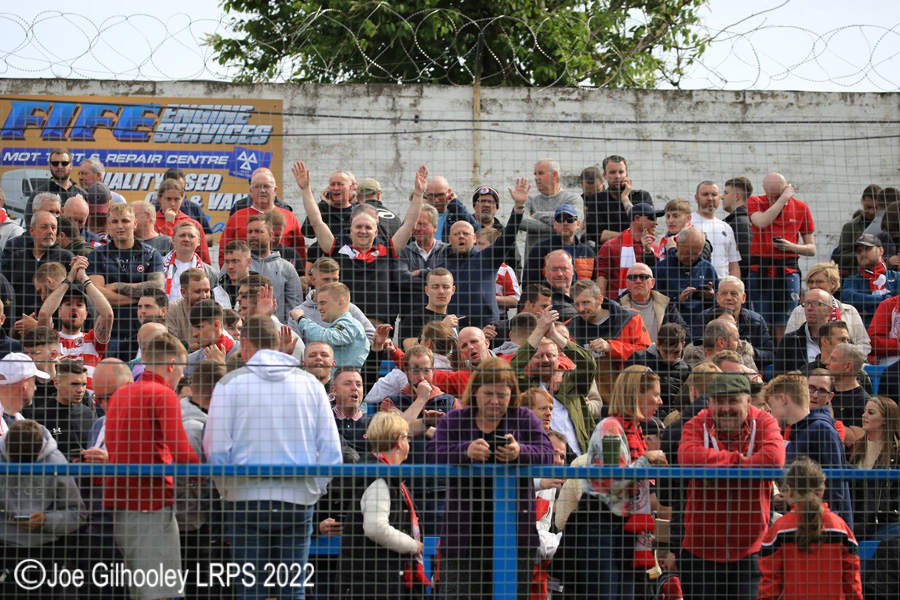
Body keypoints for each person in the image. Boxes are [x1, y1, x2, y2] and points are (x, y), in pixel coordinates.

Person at [204, 314, 343, 600]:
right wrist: (313, 490)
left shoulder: (229, 384)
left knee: (249, 591)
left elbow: (215, 448)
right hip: (297, 499)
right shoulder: (312, 385)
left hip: (245, 499)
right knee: (293, 590)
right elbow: (331, 451)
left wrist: (228, 489)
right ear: (278, 342)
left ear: (244, 344)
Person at [426, 357, 553, 599]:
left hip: (515, 537)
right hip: (463, 537)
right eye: (488, 394)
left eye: (502, 395)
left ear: (512, 394)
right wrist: (465, 451)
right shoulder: (455, 420)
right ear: (474, 392)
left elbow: (548, 455)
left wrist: (520, 451)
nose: (495, 401)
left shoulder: (524, 418)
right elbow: (432, 455)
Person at [553, 365, 667, 599]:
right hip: (601, 528)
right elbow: (614, 480)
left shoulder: (635, 431)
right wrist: (647, 460)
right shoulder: (610, 428)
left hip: (624, 530)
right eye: (655, 394)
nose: (661, 401)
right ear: (637, 393)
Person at [102, 333, 200, 600]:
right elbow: (180, 450)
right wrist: (204, 475)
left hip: (122, 501)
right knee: (161, 592)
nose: (181, 377)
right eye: (181, 369)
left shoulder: (120, 394)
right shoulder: (163, 394)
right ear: (171, 364)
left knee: (143, 589)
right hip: (152, 501)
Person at [678, 372, 786, 600]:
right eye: (718, 401)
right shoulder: (697, 422)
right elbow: (688, 457)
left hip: (750, 550)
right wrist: (741, 462)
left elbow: (774, 459)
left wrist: (715, 465)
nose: (725, 408)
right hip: (700, 551)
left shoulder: (765, 422)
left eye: (733, 401)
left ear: (748, 401)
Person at [296, 161, 425, 325]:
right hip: (343, 324)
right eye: (358, 226)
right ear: (350, 230)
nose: (363, 231)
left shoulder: (388, 250)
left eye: (368, 227)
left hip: (378, 326)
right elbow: (316, 221)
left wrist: (419, 193)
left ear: (376, 232)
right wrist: (306, 189)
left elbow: (409, 224)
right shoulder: (337, 249)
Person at [337, 412, 429, 600]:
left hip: (377, 579)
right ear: (398, 441)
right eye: (407, 438)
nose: (408, 444)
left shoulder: (378, 472)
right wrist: (413, 545)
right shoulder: (379, 478)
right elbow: (376, 528)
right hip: (373, 583)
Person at [0, 419, 87, 600]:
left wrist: (47, 520)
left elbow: (77, 513)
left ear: (39, 450)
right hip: (5, 548)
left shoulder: (56, 462)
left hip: (46, 551)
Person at [758, 457, 863, 600]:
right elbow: (852, 581)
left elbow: (769, 585)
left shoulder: (779, 529)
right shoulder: (841, 528)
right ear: (822, 490)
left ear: (790, 490)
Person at [435, 179, 526, 327]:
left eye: (465, 233)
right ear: (449, 240)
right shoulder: (441, 268)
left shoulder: (488, 258)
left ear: (474, 238)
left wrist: (518, 207)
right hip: (454, 332)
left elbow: (508, 237)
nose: (461, 237)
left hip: (488, 329)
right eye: (457, 234)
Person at [766, 372, 853, 526]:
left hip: (824, 534)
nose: (770, 411)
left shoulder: (821, 429)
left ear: (783, 399)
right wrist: (787, 501)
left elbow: (834, 490)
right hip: (806, 528)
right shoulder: (802, 431)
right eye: (811, 388)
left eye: (771, 404)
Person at [511, 310, 597, 456]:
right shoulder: (523, 386)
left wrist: (554, 336)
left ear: (559, 359)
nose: (545, 360)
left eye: (550, 355)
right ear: (529, 360)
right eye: (539, 356)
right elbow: (509, 371)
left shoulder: (572, 381)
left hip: (579, 461)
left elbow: (588, 364)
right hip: (541, 459)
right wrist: (538, 332)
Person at [86, 202, 165, 356]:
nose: (120, 226)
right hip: (108, 334)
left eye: (125, 221)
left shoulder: (150, 254)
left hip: (142, 333)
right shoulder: (97, 255)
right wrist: (140, 298)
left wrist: (116, 286)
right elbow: (96, 295)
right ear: (108, 225)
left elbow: (158, 287)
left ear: (135, 223)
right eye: (115, 221)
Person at [747, 173, 817, 343]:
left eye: (777, 195)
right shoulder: (755, 201)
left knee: (784, 323)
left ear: (785, 188)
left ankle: (782, 361)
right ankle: (763, 358)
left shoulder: (801, 207)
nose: (773, 199)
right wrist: (783, 198)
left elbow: (811, 248)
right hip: (760, 271)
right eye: (770, 195)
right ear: (763, 189)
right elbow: (762, 221)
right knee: (760, 320)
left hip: (787, 271)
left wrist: (791, 247)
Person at [37, 255, 114, 389]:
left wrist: (84, 278)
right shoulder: (51, 338)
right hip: (57, 401)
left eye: (79, 305)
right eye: (67, 304)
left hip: (88, 405)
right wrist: (69, 278)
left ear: (86, 314)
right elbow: (44, 313)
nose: (73, 307)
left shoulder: (93, 340)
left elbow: (107, 314)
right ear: (59, 312)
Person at [568, 278, 652, 400]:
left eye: (586, 303)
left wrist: (611, 347)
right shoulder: (569, 327)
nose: (580, 309)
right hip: (589, 402)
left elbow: (646, 353)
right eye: (577, 304)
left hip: (627, 397)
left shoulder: (629, 318)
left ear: (600, 300)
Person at [219, 168, 306, 268]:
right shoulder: (237, 217)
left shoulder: (289, 216)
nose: (262, 190)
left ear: (275, 190)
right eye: (257, 187)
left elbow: (300, 250)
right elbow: (224, 250)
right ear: (251, 191)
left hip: (282, 274)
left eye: (266, 186)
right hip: (245, 276)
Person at [785, 262, 870, 355]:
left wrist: (846, 357)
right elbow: (789, 343)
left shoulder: (850, 311)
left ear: (833, 283)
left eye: (819, 282)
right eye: (810, 282)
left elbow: (864, 344)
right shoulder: (799, 311)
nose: (813, 286)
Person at [848, 396, 900, 541]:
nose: (864, 416)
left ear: (885, 419)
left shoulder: (896, 453)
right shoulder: (856, 447)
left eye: (871, 412)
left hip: (885, 523)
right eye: (864, 411)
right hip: (858, 520)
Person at [694, 275, 774, 368]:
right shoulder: (704, 318)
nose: (728, 298)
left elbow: (771, 354)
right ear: (717, 297)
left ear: (743, 298)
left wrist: (747, 352)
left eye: (734, 293)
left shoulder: (756, 320)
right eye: (724, 293)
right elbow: (696, 350)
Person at [293, 256, 374, 344]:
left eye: (335, 280)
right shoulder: (298, 313)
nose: (331, 284)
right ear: (313, 280)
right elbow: (295, 346)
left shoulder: (348, 307)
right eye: (326, 279)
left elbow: (371, 336)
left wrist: (349, 353)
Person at [290, 281, 370, 368]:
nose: (319, 308)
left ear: (340, 303)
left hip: (342, 380)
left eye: (323, 303)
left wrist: (301, 318)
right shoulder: (344, 324)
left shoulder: (350, 325)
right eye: (318, 303)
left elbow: (324, 337)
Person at [653, 225, 719, 326]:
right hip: (672, 328)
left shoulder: (707, 268)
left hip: (701, 327)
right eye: (688, 253)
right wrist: (677, 300)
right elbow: (654, 306)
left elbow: (719, 305)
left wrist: (710, 297)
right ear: (678, 245)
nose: (692, 258)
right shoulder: (660, 270)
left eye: (697, 254)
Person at [395, 204, 452, 318]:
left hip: (443, 319)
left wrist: (420, 273)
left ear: (435, 227)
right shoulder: (404, 251)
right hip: (410, 320)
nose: (417, 228)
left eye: (422, 224)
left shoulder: (447, 250)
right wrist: (436, 282)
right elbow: (400, 278)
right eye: (415, 224)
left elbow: (453, 277)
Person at [596, 203, 661, 300]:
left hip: (647, 307)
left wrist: (648, 252)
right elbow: (602, 280)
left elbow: (657, 280)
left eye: (656, 219)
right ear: (637, 218)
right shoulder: (610, 246)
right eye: (651, 218)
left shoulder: (654, 248)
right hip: (618, 308)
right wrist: (603, 307)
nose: (656, 223)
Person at [584, 154, 654, 246]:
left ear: (626, 174)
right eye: (612, 172)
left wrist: (625, 197)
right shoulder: (597, 199)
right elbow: (596, 234)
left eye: (621, 172)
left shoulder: (641, 197)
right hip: (608, 253)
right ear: (604, 175)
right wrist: (631, 235)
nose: (617, 176)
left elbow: (647, 228)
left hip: (638, 252)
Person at [247, 212, 303, 322]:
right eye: (250, 231)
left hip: (277, 334)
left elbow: (294, 308)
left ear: (271, 235)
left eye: (258, 231)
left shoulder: (287, 268)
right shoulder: (235, 264)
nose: (253, 235)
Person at [522, 203, 597, 286]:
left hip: (581, 298)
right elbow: (529, 285)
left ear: (578, 224)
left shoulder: (588, 252)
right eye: (560, 220)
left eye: (570, 219)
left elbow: (595, 285)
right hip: (550, 298)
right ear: (554, 224)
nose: (565, 223)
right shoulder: (540, 249)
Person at [521, 158, 584, 253]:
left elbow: (575, 220)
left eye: (541, 173)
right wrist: (562, 227)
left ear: (554, 175)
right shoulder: (529, 200)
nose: (536, 178)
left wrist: (537, 215)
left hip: (566, 263)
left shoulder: (573, 199)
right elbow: (521, 222)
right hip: (535, 263)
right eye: (535, 174)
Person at [617, 262, 688, 345]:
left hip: (660, 356)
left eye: (644, 277)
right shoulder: (616, 307)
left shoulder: (667, 304)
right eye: (633, 277)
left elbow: (684, 333)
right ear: (626, 284)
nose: (638, 281)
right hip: (627, 356)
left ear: (652, 283)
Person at [843, 233, 900, 328]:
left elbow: (898, 304)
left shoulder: (897, 277)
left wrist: (868, 311)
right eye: (859, 251)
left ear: (881, 250)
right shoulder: (852, 280)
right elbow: (849, 298)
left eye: (867, 249)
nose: (862, 253)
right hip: (863, 333)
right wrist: (885, 298)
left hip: (893, 333)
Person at [153, 179, 212, 264]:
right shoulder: (151, 222)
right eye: (168, 199)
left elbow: (203, 256)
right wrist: (169, 224)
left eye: (176, 199)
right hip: (160, 270)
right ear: (160, 198)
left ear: (182, 198)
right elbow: (164, 250)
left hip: (189, 271)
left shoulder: (193, 224)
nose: (172, 203)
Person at [691, 180, 742, 278]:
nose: (710, 198)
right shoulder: (687, 223)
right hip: (696, 285)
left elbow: (733, 264)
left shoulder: (726, 227)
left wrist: (736, 287)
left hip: (722, 287)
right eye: (705, 194)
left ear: (720, 198)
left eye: (714, 195)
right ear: (696, 198)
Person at [398, 267, 458, 348]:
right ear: (426, 290)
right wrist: (441, 328)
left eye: (446, 287)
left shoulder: (454, 320)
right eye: (435, 287)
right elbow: (412, 351)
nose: (441, 291)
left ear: (453, 290)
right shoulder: (414, 318)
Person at [24, 146, 86, 223]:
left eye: (64, 163)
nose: (60, 167)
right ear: (50, 165)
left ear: (71, 165)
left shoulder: (82, 194)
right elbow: (30, 225)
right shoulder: (38, 194)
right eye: (55, 163)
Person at [162, 220, 218, 303]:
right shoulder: (159, 266)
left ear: (199, 242)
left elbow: (216, 303)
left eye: (191, 236)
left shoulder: (209, 271)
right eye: (182, 235)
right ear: (173, 240)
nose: (186, 239)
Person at [826, 342, 871, 444]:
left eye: (833, 359)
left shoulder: (862, 401)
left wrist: (829, 419)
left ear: (848, 366)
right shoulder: (824, 391)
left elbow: (856, 439)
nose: (826, 362)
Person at [838, 185, 885, 276]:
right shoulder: (850, 227)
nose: (871, 212)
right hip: (859, 277)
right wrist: (865, 255)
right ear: (862, 202)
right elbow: (841, 257)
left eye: (875, 208)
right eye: (868, 207)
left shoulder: (888, 226)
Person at [185, 298, 241, 375]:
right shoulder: (191, 361)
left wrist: (220, 366)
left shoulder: (244, 352)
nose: (194, 334)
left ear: (216, 325)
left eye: (199, 327)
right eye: (193, 328)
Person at [722, 176, 754, 280]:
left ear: (737, 196)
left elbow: (743, 260)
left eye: (726, 193)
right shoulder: (736, 220)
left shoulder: (740, 222)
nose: (722, 197)